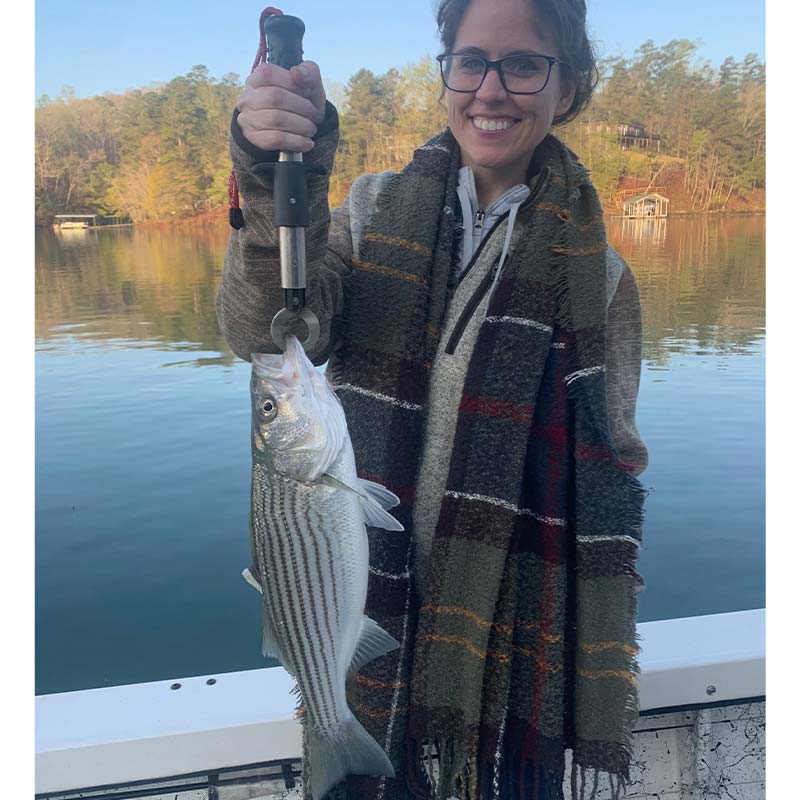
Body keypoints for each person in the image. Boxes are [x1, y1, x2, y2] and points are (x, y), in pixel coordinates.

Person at [218, 0, 649, 798]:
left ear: (571, 83)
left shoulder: (603, 280)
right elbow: (273, 333)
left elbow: (609, 465)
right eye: (470, 60)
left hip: (506, 642)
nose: (490, 89)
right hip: (356, 613)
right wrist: (272, 170)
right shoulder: (373, 209)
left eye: (524, 65)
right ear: (445, 70)